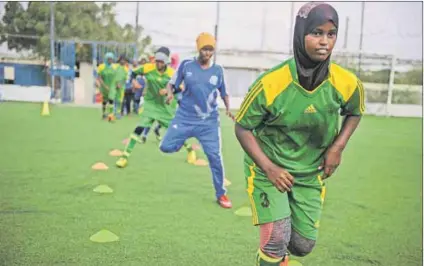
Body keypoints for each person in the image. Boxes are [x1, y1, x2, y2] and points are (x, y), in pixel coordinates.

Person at [234, 2, 365, 265]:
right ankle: (272, 257)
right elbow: (242, 127)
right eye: (316, 32)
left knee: (302, 245)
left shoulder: (347, 83)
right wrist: (269, 168)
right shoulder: (271, 83)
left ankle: (280, 257)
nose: (324, 41)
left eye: (331, 34)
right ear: (300, 33)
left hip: (310, 172)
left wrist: (337, 147)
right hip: (269, 169)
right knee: (276, 240)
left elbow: (355, 111)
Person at [161, 32, 234, 209]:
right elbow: (172, 84)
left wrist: (229, 109)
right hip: (185, 117)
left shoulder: (218, 71)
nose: (207, 53)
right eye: (204, 49)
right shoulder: (186, 65)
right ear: (198, 48)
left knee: (215, 157)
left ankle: (221, 194)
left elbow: (223, 92)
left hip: (208, 123)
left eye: (210, 50)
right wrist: (170, 94)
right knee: (166, 147)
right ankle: (185, 141)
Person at [116, 47, 196, 168]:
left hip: (165, 107)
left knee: (175, 131)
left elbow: (181, 88)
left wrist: (169, 90)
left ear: (166, 62)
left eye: (161, 61)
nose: (158, 63)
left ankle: (190, 150)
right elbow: (132, 73)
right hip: (150, 104)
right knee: (139, 127)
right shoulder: (148, 68)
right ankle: (124, 157)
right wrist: (133, 82)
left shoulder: (171, 73)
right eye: (157, 61)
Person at [96, 52, 118, 121]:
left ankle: (111, 115)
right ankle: (104, 113)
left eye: (111, 59)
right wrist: (104, 86)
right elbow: (99, 78)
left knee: (111, 100)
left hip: (112, 87)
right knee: (104, 101)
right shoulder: (101, 67)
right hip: (104, 87)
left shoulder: (115, 67)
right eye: (109, 59)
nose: (110, 60)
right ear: (106, 59)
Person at [114, 55, 129, 119]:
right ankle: (112, 113)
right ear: (119, 60)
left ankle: (118, 113)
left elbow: (125, 78)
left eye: (124, 60)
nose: (122, 61)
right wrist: (116, 83)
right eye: (121, 60)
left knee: (120, 100)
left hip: (122, 87)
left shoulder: (126, 68)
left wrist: (120, 84)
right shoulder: (115, 66)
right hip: (114, 86)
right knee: (113, 99)